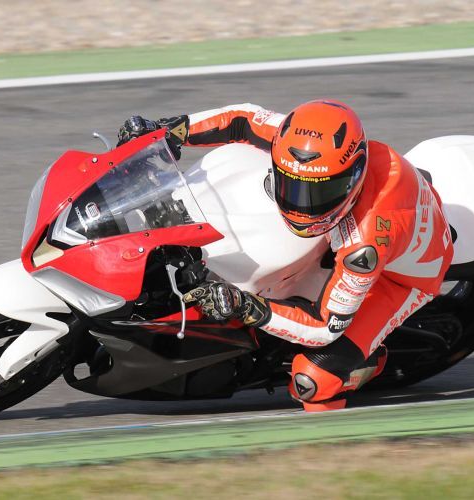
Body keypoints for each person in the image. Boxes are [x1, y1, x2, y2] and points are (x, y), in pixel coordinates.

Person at [117, 101, 454, 411]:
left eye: (320, 192)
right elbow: (242, 119)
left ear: (354, 177)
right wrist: (168, 130)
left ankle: (362, 373)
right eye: (292, 186)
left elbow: (325, 327)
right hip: (355, 228)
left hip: (401, 277)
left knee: (313, 381)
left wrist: (245, 307)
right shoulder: (309, 141)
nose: (301, 206)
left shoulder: (364, 246)